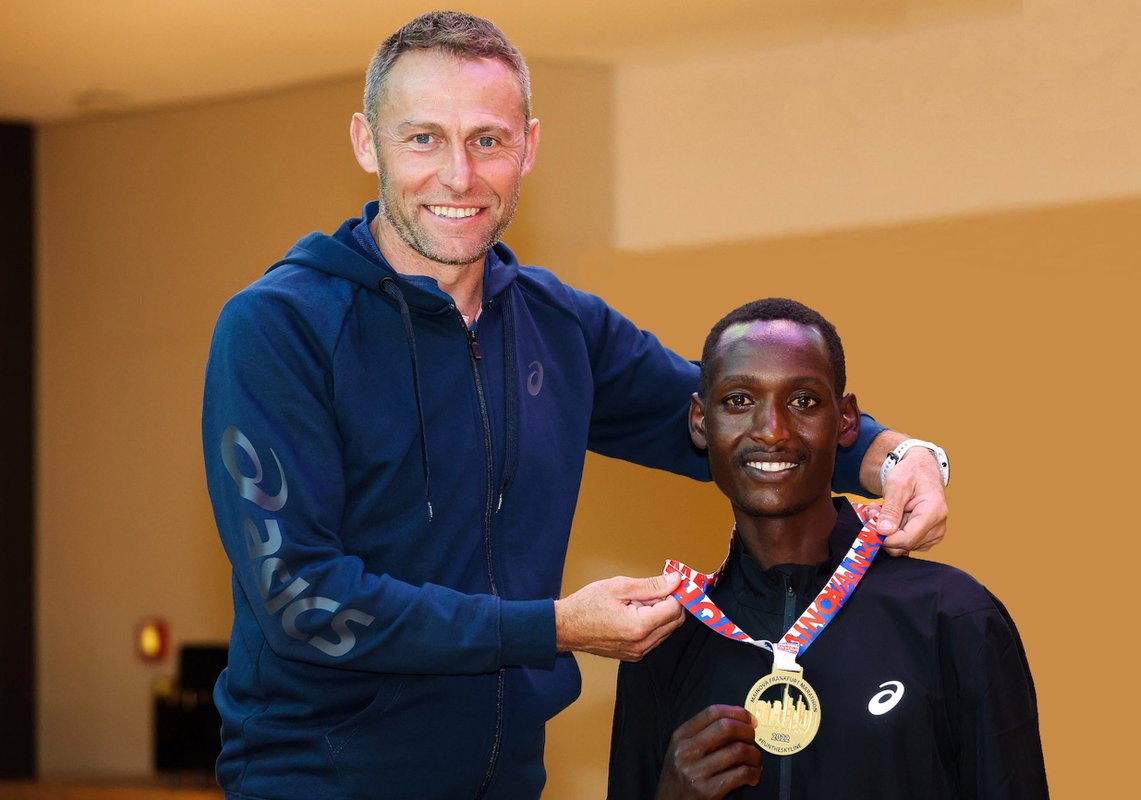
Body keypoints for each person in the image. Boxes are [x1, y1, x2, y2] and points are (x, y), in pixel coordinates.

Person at [201, 12, 951, 800]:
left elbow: (720, 413)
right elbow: (302, 600)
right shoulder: (279, 327)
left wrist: (893, 456)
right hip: (318, 783)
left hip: (510, 783)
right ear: (366, 142)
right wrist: (555, 628)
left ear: (528, 146)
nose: (459, 175)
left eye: (487, 141)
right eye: (423, 138)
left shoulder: (559, 326)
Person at [607, 298, 1047, 799]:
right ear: (700, 422)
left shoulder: (952, 616)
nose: (772, 430)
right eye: (738, 401)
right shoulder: (662, 642)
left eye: (803, 402)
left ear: (846, 421)